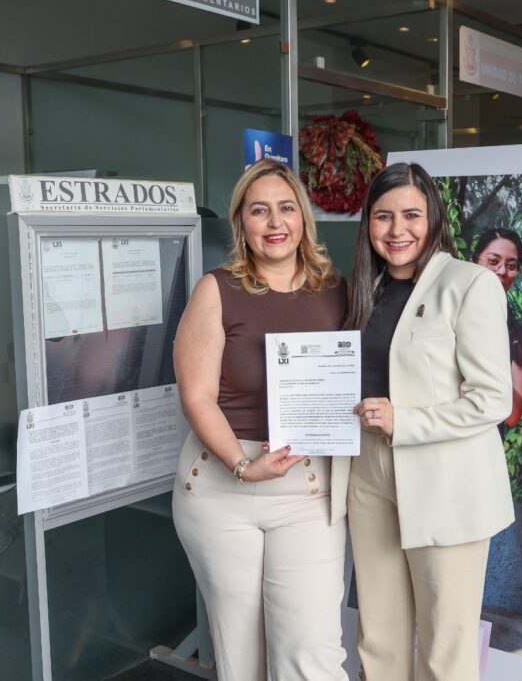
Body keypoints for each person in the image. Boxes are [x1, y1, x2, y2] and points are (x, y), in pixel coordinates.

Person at [171, 159, 349, 681]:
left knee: (310, 654)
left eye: (286, 208)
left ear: (304, 220)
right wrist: (244, 465)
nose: (275, 222)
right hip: (223, 489)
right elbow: (198, 397)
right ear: (241, 224)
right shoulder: (216, 289)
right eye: (259, 210)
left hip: (307, 489)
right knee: (242, 660)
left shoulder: (337, 292)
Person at [336, 162, 514, 681]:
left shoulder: (470, 283)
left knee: (444, 647)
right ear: (368, 223)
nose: (397, 230)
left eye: (411, 214)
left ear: (432, 217)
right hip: (368, 472)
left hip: (445, 478)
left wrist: (404, 419)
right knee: (380, 635)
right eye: (383, 216)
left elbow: (492, 399)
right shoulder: (360, 292)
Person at [471, 228, 522, 434]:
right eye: (493, 261)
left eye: (511, 265)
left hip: (483, 442)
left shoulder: (517, 334)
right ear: (474, 262)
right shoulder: (448, 312)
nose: (501, 271)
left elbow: (513, 414)